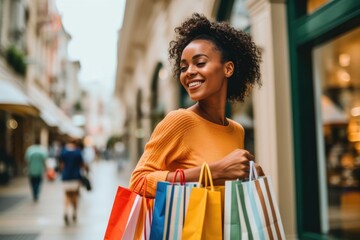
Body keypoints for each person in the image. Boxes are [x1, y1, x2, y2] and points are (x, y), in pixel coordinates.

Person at [129, 13, 264, 198]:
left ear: (228, 68)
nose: (189, 72)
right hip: (190, 227)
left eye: (200, 63)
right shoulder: (180, 121)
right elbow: (138, 181)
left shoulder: (237, 130)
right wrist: (214, 171)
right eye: (183, 67)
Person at [59, 138, 87, 225]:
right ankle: (74, 213)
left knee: (67, 195)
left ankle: (66, 211)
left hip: (66, 177)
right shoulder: (78, 152)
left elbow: (61, 165)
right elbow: (82, 165)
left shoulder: (63, 152)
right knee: (75, 196)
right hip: (75, 177)